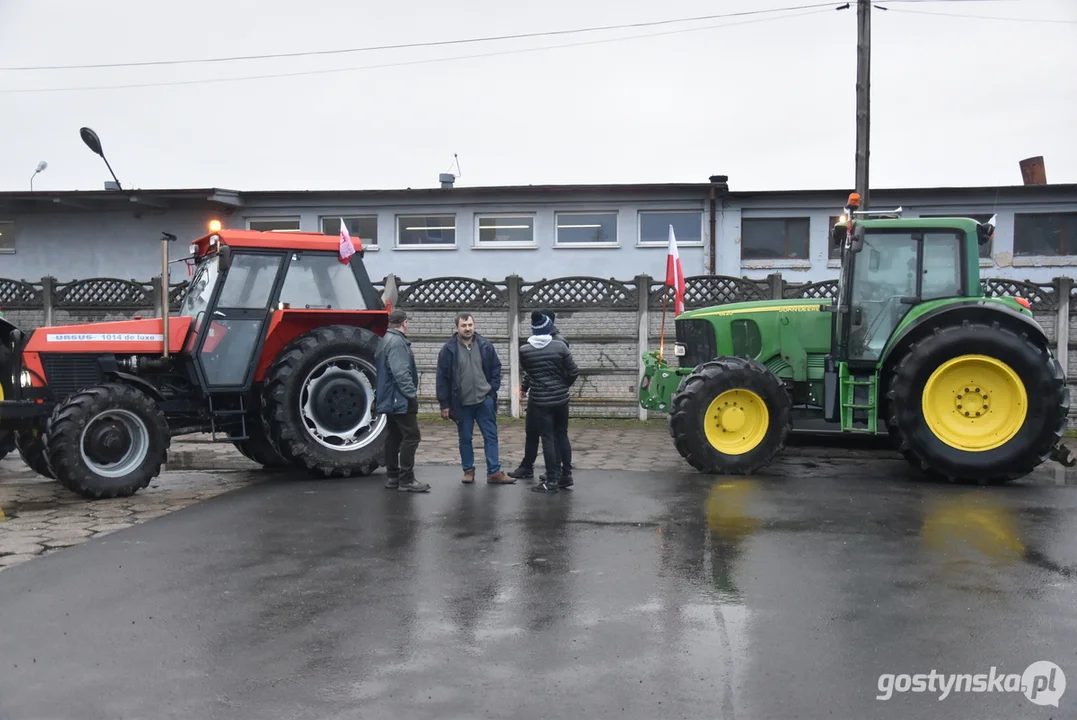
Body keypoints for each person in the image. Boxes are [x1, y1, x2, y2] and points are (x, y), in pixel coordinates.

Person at [436, 312, 512, 484]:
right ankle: (468, 471)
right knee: (465, 438)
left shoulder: (485, 346)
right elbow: (442, 378)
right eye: (464, 325)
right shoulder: (448, 350)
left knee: (491, 436)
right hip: (461, 403)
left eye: (470, 325)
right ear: (457, 328)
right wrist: (444, 404)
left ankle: (494, 472)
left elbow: (496, 369)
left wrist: (492, 392)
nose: (468, 328)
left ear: (474, 326)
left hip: (484, 400)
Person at [508, 310, 573, 483]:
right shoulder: (538, 344)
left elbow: (567, 371)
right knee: (534, 431)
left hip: (547, 397)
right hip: (543, 394)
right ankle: (529, 466)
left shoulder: (558, 342)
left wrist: (559, 386)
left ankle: (556, 473)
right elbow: (533, 372)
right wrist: (525, 386)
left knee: (551, 435)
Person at [374, 309, 430, 493]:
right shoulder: (397, 342)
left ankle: (392, 477)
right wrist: (411, 394)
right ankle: (406, 479)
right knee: (412, 436)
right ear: (404, 323)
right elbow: (400, 373)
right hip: (400, 399)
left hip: (390, 398)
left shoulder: (385, 340)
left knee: (394, 436)